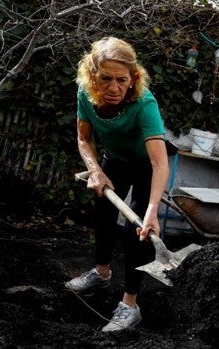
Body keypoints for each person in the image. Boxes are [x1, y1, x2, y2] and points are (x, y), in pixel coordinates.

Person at [64, 37, 169, 332]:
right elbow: (83, 139)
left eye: (121, 80)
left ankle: (130, 304)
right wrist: (95, 171)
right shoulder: (85, 94)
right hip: (114, 159)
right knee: (103, 216)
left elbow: (160, 163)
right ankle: (101, 272)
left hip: (146, 165)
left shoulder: (144, 103)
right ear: (92, 75)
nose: (113, 87)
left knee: (138, 231)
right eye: (105, 78)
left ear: (132, 78)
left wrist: (152, 211)